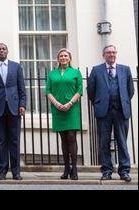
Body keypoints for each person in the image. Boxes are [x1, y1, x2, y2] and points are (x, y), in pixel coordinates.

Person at [88, 45, 134, 182]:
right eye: (108, 52)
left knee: (122, 142)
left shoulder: (125, 69)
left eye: (113, 52)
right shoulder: (96, 70)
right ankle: (107, 170)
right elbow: (91, 90)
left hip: (120, 111)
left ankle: (124, 170)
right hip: (104, 111)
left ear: (116, 54)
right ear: (104, 55)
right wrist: (99, 102)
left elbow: (130, 90)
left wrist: (123, 101)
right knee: (104, 142)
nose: (111, 54)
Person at [0, 43, 26, 180]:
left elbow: (22, 89)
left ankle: (16, 171)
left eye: (4, 49)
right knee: (0, 140)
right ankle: (2, 170)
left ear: (7, 51)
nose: (1, 51)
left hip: (14, 108)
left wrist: (22, 104)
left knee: (14, 140)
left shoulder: (16, 67)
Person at [45, 48, 83, 180]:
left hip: (71, 109)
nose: (63, 58)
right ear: (58, 59)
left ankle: (75, 169)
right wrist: (56, 103)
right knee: (63, 139)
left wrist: (70, 103)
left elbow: (79, 90)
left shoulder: (76, 72)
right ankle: (66, 169)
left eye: (66, 55)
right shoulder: (52, 74)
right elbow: (48, 90)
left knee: (71, 137)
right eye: (61, 56)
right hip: (57, 109)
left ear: (69, 58)